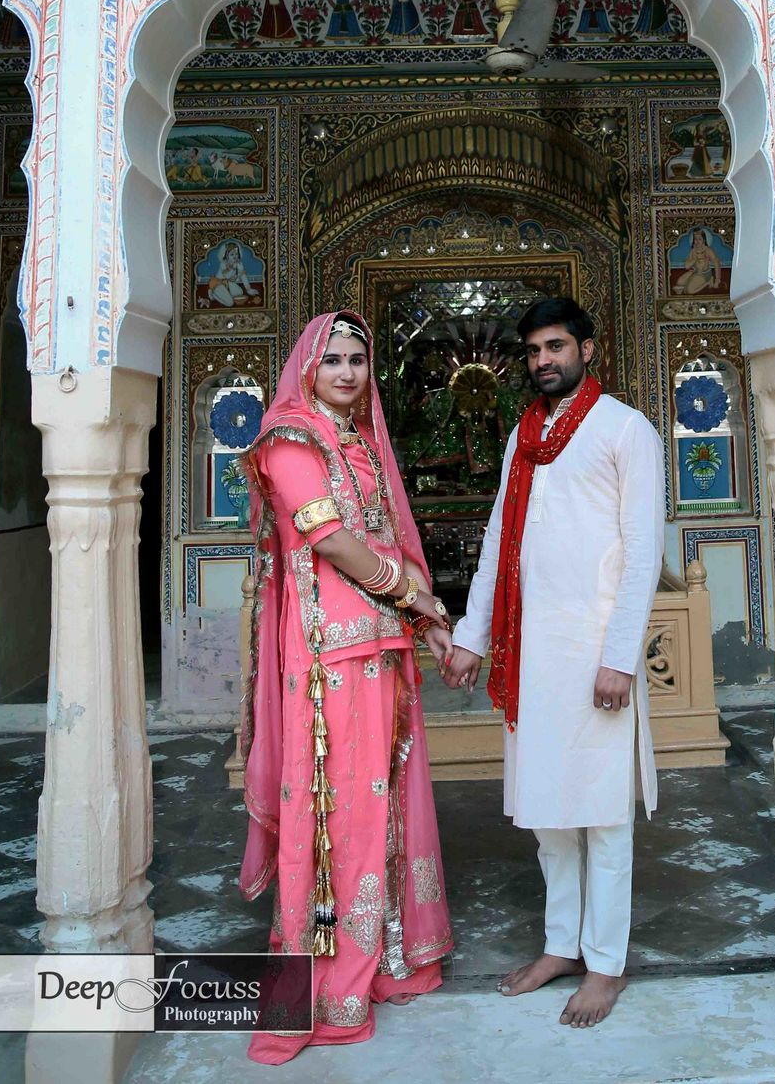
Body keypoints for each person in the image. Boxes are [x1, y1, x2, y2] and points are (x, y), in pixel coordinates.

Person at [239, 311, 454, 1062]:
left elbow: (389, 532)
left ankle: (387, 957)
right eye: (332, 358)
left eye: (358, 358)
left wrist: (420, 615)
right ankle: (323, 990)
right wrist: (415, 595)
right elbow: (328, 537)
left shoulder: (361, 441)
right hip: (331, 656)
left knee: (384, 803)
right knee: (339, 815)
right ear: (307, 364)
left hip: (381, 644)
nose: (347, 370)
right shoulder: (291, 439)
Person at [445, 296, 664, 1028]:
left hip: (595, 652)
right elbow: (498, 542)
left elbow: (642, 556)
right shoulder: (522, 436)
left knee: (602, 814)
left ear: (588, 349)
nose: (544, 359)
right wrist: (473, 634)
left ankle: (606, 962)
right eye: (534, 348)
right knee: (548, 814)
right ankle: (561, 945)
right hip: (533, 652)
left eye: (556, 346)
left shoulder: (626, 430)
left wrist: (620, 657)